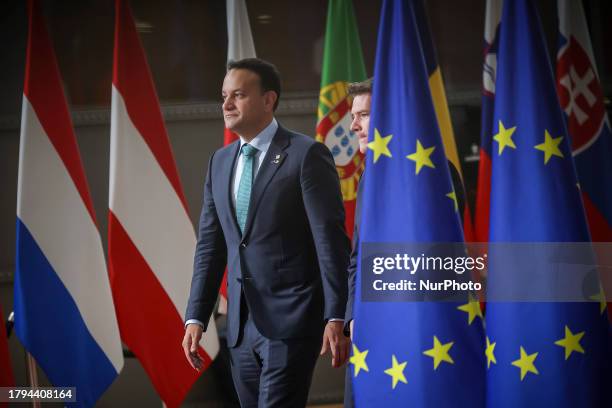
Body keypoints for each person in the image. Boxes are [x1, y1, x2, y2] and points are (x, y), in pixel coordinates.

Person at [182, 58, 351, 407]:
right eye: (224, 95)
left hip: (292, 320)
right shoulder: (220, 161)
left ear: (268, 100)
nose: (226, 104)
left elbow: (329, 240)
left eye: (238, 95)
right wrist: (196, 316)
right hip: (240, 327)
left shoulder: (306, 155)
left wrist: (337, 314)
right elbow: (211, 247)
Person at [344, 78, 372, 408]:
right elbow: (357, 258)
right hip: (367, 327)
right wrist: (353, 317)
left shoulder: (436, 173)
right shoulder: (367, 176)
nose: (353, 126)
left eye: (362, 115)